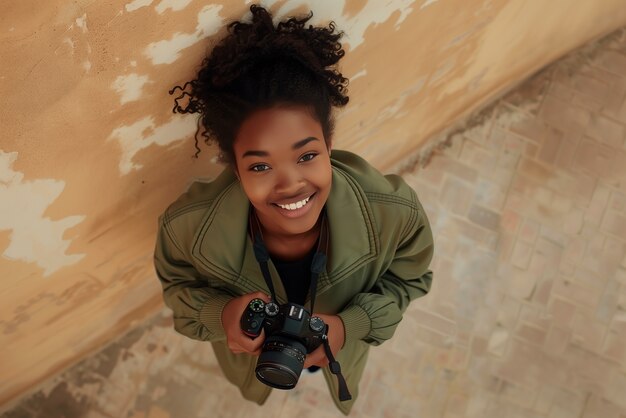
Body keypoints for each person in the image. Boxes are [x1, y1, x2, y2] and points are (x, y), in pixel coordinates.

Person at [153, 4, 434, 415]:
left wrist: (347, 327)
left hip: (339, 347)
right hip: (254, 362)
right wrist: (222, 314)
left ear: (329, 144)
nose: (290, 185)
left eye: (306, 156)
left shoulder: (395, 213)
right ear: (234, 167)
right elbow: (177, 291)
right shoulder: (186, 229)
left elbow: (410, 281)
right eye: (260, 166)